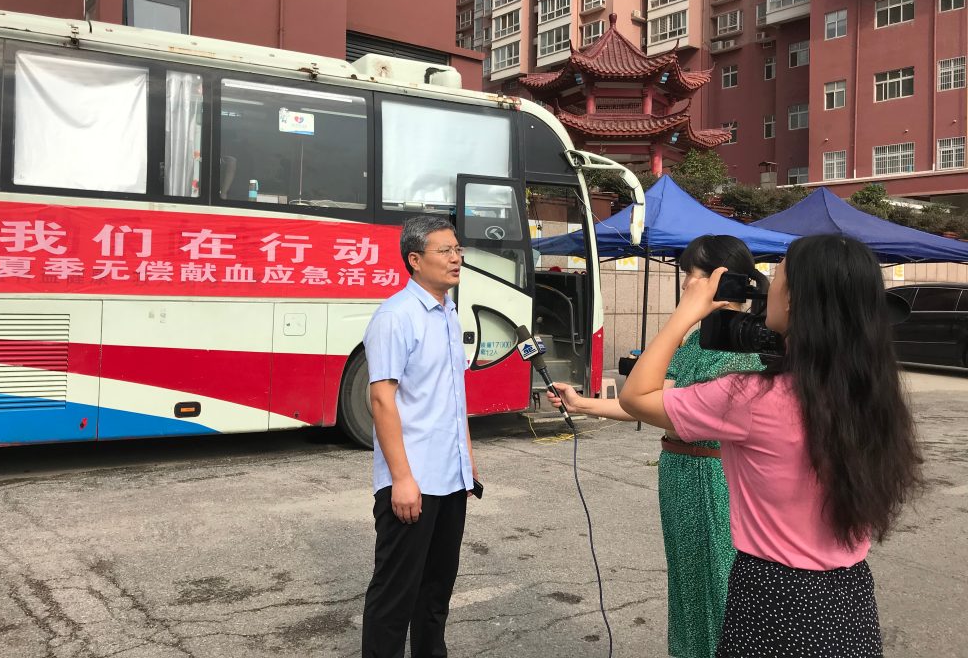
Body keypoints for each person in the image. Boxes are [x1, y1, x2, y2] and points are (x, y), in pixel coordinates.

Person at [555, 234, 923, 657]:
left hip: (772, 594)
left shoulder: (752, 396)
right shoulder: (868, 394)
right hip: (848, 597)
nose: (767, 287)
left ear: (795, 300)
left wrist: (683, 314)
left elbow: (637, 396)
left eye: (778, 277)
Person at [553, 235, 767, 658]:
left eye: (692, 274)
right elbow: (651, 401)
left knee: (716, 581)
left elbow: (661, 404)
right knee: (688, 579)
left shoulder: (741, 351)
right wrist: (583, 404)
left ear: (721, 280)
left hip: (712, 476)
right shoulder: (696, 340)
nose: (685, 283)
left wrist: (680, 319)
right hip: (680, 470)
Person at [361, 215, 478, 658]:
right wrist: (402, 479)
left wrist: (467, 462)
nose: (456, 258)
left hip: (451, 478)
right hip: (412, 481)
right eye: (445, 251)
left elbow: (452, 395)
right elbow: (381, 400)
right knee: (395, 597)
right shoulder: (396, 316)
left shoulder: (448, 312)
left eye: (457, 250)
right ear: (414, 259)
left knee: (435, 595)